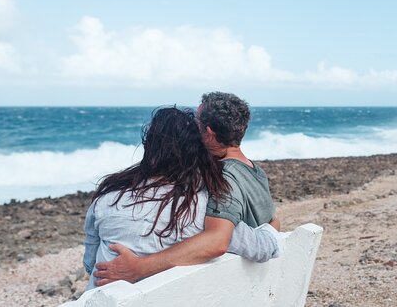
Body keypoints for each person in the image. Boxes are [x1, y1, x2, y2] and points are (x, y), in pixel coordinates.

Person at [93, 93, 281, 285]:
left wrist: (139, 268)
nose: (191, 127)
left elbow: (217, 240)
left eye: (196, 122)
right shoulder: (254, 170)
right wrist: (273, 224)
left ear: (208, 133)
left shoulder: (222, 177)